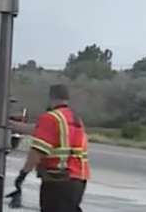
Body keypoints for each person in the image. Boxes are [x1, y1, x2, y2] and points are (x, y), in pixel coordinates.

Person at [18, 84, 89, 212]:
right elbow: (40, 130)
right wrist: (12, 125)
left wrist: (23, 174)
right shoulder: (75, 119)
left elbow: (37, 152)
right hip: (78, 179)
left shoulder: (50, 117)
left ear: (51, 98)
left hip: (58, 180)